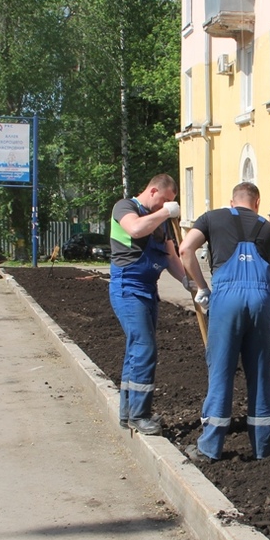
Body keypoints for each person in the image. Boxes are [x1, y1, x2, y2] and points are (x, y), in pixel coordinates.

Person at [179, 182, 270, 462]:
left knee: (221, 371)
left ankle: (209, 448)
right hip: (261, 301)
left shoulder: (211, 218)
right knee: (260, 372)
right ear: (257, 203)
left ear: (232, 201)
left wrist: (202, 288)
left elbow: (185, 250)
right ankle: (264, 447)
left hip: (226, 299)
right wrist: (264, 315)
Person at [109, 174, 188, 435]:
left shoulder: (160, 222)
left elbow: (170, 256)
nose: (166, 206)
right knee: (144, 348)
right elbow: (135, 229)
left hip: (148, 290)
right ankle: (139, 416)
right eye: (164, 200)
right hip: (128, 288)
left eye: (170, 203)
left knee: (136, 350)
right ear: (153, 191)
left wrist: (188, 281)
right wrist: (164, 212)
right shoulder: (125, 207)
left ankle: (128, 413)